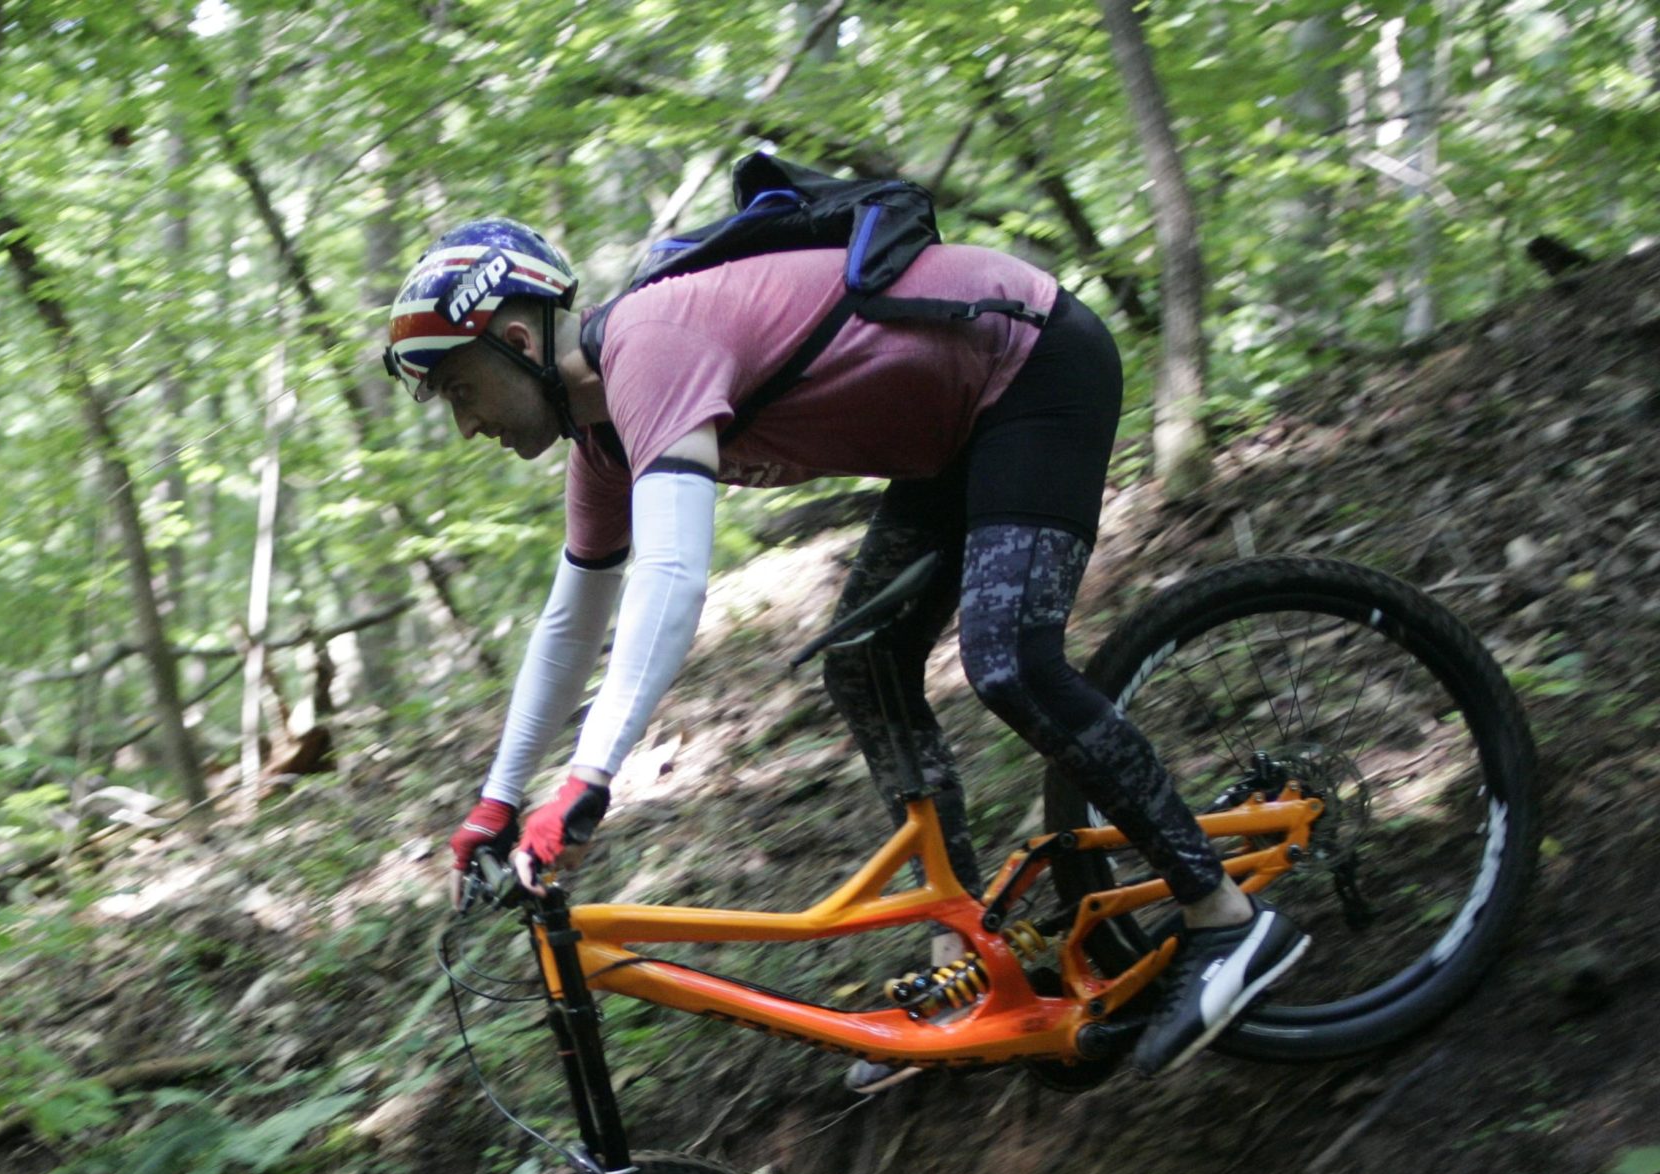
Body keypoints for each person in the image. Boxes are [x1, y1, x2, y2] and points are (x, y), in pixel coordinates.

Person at [385, 212, 1307, 1083]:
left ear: (515, 341)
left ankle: (1219, 911)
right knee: (864, 662)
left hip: (1031, 365)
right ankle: (967, 951)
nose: (468, 425)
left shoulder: (648, 345)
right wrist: (497, 801)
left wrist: (587, 780)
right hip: (951, 433)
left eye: (461, 390)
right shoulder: (602, 441)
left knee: (1008, 660)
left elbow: (671, 576)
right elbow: (573, 620)